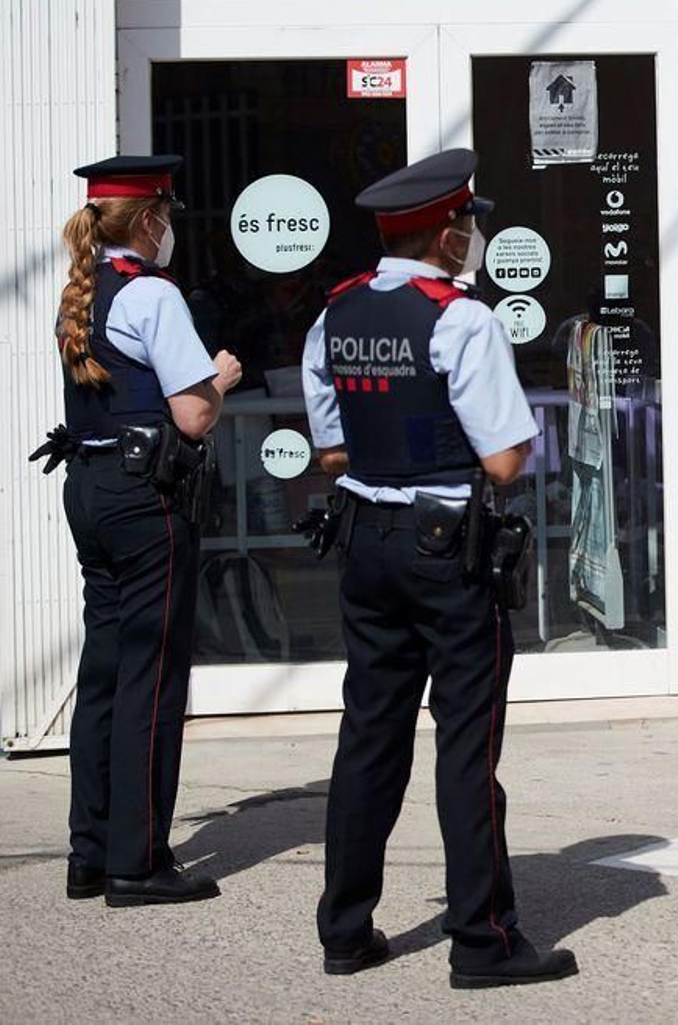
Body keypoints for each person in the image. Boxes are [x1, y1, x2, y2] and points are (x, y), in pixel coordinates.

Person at [301, 149, 577, 988]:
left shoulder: (336, 313)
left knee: (369, 736)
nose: (475, 237)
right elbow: (503, 462)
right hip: (445, 547)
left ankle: (345, 930)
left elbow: (333, 446)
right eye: (470, 225)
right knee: (465, 744)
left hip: (364, 539)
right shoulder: (462, 319)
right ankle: (482, 940)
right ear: (449, 233)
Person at [44, 155, 242, 906]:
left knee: (104, 672)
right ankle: (139, 860)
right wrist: (216, 381)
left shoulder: (79, 293)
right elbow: (190, 414)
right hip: (144, 495)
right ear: (152, 220)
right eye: (168, 216)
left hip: (90, 487)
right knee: (152, 676)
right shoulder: (151, 295)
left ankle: (89, 852)